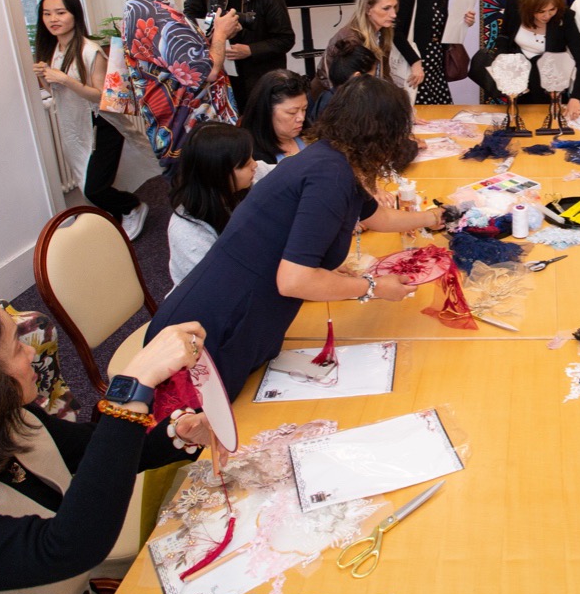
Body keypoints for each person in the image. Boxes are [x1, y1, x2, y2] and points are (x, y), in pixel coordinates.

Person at [145, 75, 442, 398]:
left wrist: (433, 217)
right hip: (210, 333)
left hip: (242, 318)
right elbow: (294, 280)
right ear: (383, 134)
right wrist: (373, 287)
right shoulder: (331, 176)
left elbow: (377, 216)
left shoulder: (334, 159)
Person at [0, 291, 211, 594]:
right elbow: (68, 546)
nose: (31, 352)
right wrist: (132, 388)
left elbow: (92, 449)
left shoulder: (6, 417)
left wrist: (177, 433)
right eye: (17, 348)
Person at [33, 0, 150, 240]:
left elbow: (99, 96)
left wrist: (65, 79)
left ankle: (132, 207)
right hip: (73, 125)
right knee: (88, 182)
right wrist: (45, 77)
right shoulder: (52, 50)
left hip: (101, 123)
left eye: (60, 12)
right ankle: (117, 220)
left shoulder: (90, 50)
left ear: (75, 15)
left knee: (94, 188)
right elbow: (56, 93)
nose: (53, 19)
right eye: (47, 14)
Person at [122, 0, 239, 174]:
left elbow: (186, 59)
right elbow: (208, 71)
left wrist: (214, 34)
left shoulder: (139, 8)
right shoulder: (160, 17)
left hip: (183, 136)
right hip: (192, 141)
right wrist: (220, 34)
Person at [181, 0, 295, 111]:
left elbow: (286, 39)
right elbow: (189, 14)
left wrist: (250, 50)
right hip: (219, 74)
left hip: (256, 80)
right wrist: (211, 33)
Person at [472, 0, 580, 118]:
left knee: (545, 120)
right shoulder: (515, 6)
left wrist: (576, 97)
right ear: (529, 6)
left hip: (549, 86)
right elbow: (504, 36)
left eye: (552, 10)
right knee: (518, 120)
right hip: (517, 80)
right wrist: (502, 62)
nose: (547, 16)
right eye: (541, 11)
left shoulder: (565, 18)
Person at [167, 122, 258, 287]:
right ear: (218, 173)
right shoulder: (187, 232)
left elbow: (287, 172)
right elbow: (218, 286)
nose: (255, 165)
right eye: (245, 164)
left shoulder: (245, 181)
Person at [392, 0, 476, 105]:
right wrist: (415, 62)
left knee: (441, 114)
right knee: (420, 114)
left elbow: (440, 30)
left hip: (436, 64)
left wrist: (464, 22)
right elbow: (395, 31)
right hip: (415, 65)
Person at [313, 0, 398, 101]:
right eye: (386, 8)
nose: (394, 14)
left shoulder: (383, 33)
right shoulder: (350, 40)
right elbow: (341, 87)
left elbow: (384, 75)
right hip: (332, 103)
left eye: (395, 7)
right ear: (368, 9)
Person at [241, 69, 309, 164]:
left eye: (304, 109)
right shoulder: (255, 158)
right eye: (292, 113)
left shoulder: (310, 135)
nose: (301, 118)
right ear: (266, 112)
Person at [308, 37, 378, 124]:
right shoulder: (340, 107)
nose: (374, 82)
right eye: (372, 77)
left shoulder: (330, 97)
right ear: (357, 77)